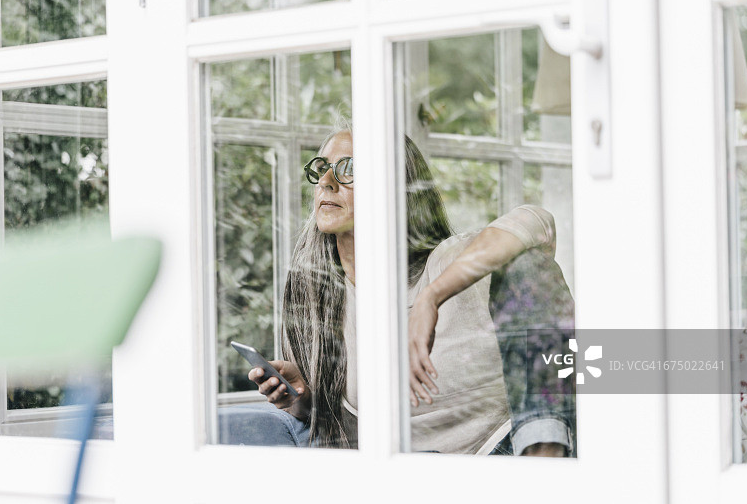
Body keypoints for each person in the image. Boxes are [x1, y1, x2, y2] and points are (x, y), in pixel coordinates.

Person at [218, 125, 574, 455]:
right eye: (321, 167)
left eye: (349, 168)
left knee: (531, 267)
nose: (326, 181)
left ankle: (545, 459)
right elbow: (353, 428)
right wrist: (302, 399)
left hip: (499, 451)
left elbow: (536, 222)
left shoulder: (445, 262)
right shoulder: (320, 297)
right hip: (406, 471)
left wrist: (431, 299)